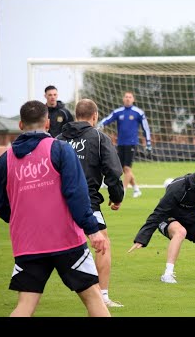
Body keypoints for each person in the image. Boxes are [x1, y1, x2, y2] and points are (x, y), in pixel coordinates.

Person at [0, 100, 110, 317]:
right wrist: (93, 230)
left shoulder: (4, 160)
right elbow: (76, 194)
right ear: (47, 123)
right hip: (67, 242)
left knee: (24, 306)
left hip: (28, 244)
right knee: (94, 299)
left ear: (20, 124)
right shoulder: (60, 149)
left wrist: (21, 219)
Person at [57, 99, 125, 308]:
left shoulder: (58, 139)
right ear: (94, 116)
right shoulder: (98, 136)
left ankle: (30, 294)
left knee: (54, 249)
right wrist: (116, 197)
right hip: (87, 203)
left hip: (58, 203)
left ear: (76, 115)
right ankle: (102, 296)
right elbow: (113, 171)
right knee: (102, 244)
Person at [127, 161, 195, 283]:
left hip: (189, 215)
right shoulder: (178, 186)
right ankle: (167, 274)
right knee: (180, 232)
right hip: (168, 216)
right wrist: (142, 238)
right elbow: (159, 212)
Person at [98, 91, 152, 198]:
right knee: (124, 169)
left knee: (127, 168)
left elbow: (146, 128)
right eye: (126, 97)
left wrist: (148, 143)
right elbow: (108, 119)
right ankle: (136, 188)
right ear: (123, 99)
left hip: (132, 144)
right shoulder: (118, 112)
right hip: (121, 144)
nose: (128, 99)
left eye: (130, 97)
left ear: (133, 99)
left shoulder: (138, 112)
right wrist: (101, 124)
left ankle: (123, 190)